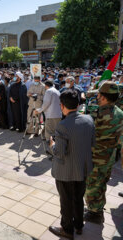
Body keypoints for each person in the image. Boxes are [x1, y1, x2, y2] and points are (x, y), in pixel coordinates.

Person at [49, 89, 95, 239]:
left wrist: (52, 144)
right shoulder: (89, 119)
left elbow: (59, 152)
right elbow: (92, 143)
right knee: (78, 197)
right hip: (82, 168)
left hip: (65, 171)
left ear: (62, 105)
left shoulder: (63, 125)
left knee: (66, 201)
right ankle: (79, 225)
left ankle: (67, 230)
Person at [84, 82, 123, 223]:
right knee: (101, 183)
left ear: (105, 98)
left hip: (95, 158)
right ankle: (98, 206)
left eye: (99, 95)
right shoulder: (119, 112)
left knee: (93, 185)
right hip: (109, 157)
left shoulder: (97, 114)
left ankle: (95, 213)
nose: (97, 97)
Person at [34, 80, 62, 144]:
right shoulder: (57, 91)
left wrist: (39, 110)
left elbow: (46, 103)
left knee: (49, 133)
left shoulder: (49, 91)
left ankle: (51, 148)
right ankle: (56, 146)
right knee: (56, 131)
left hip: (51, 115)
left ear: (46, 86)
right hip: (58, 115)